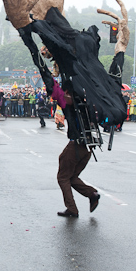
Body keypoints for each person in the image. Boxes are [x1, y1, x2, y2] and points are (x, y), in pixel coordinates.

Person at [54, 81, 100, 218]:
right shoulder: (86, 106)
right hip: (87, 147)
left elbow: (60, 96)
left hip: (76, 145)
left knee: (62, 177)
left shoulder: (72, 107)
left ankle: (72, 208)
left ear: (68, 93)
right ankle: (92, 194)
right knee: (71, 177)